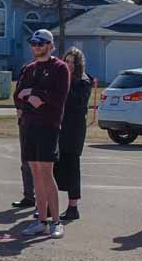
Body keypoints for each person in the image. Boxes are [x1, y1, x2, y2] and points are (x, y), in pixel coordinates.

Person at [11, 29, 71, 238]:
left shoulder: (60, 68)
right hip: (29, 125)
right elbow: (18, 95)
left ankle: (56, 221)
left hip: (48, 126)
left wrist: (35, 94)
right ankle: (41, 220)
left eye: (41, 43)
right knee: (35, 173)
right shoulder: (28, 69)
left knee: (46, 172)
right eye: (33, 43)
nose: (36, 47)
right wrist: (30, 97)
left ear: (50, 45)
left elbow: (59, 97)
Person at [56, 48, 92, 222]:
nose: (69, 65)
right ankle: (50, 206)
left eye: (72, 62)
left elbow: (78, 103)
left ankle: (73, 207)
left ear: (78, 65)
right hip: (58, 128)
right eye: (66, 61)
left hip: (74, 129)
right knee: (54, 166)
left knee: (72, 167)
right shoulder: (60, 79)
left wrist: (67, 82)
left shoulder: (84, 82)